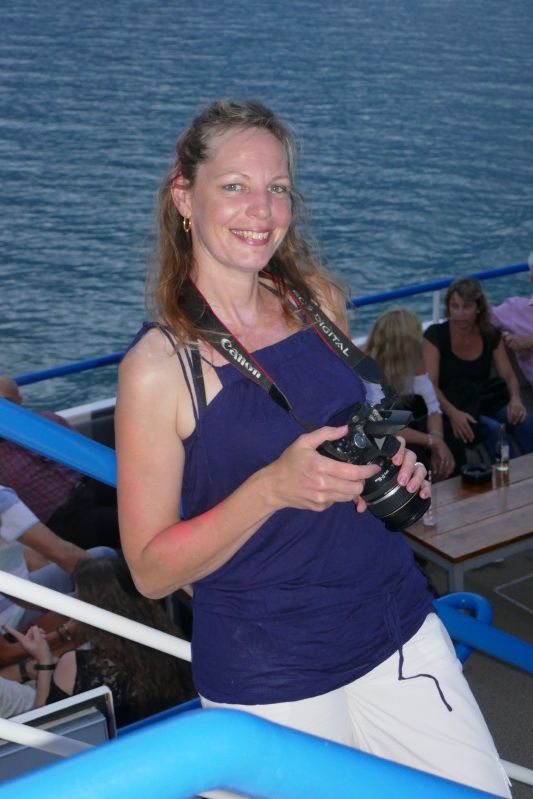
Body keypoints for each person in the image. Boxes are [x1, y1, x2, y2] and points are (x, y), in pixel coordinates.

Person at [115, 100, 510, 796]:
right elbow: (150, 570)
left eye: (277, 188)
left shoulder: (315, 301)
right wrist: (271, 487)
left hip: (392, 621)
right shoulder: (159, 368)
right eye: (234, 185)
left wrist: (393, 467)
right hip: (268, 669)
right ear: (183, 195)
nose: (261, 210)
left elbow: (346, 439)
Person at [33, 557, 195, 727]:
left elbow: (43, 727)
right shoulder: (174, 643)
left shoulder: (75, 664)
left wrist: (44, 663)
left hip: (125, 743)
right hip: (183, 732)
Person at [423, 277, 533, 470]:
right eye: (454, 306)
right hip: (452, 404)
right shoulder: (435, 335)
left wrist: (516, 399)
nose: (459, 313)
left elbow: (508, 376)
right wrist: (454, 414)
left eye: (466, 307)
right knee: (493, 431)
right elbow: (430, 383)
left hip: (485, 399)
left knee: (525, 422)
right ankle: (512, 480)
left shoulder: (490, 334)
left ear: (478, 308)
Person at [0, 376, 120, 549]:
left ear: (19, 401)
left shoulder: (48, 421)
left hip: (91, 484)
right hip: (63, 517)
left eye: (6, 403)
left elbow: (88, 456)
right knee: (119, 522)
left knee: (145, 492)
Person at [0, 485, 115, 664]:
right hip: (11, 624)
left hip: (17, 595)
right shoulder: (2, 499)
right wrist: (66, 631)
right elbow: (64, 554)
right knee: (104, 592)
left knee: (104, 560)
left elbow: (63, 555)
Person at [364, 308, 455, 480]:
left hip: (407, 432)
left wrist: (437, 439)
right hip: (377, 439)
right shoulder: (367, 373)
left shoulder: (416, 362)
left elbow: (433, 407)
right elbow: (382, 424)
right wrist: (432, 442)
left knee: (450, 443)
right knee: (413, 452)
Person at [490, 252, 533, 389]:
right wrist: (506, 336)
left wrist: (530, 341)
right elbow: (477, 319)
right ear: (531, 279)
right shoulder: (514, 309)